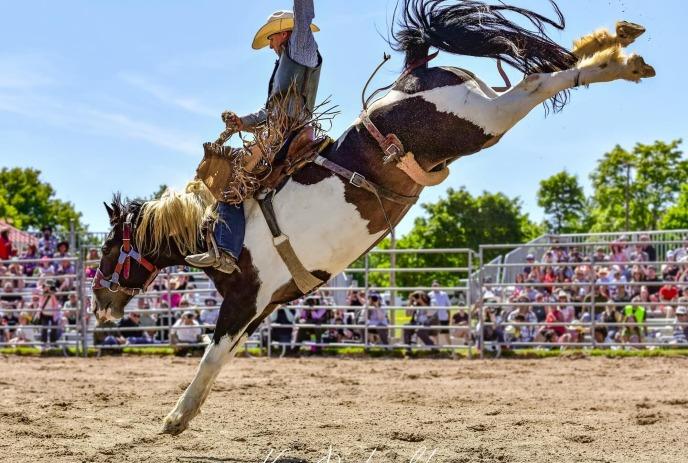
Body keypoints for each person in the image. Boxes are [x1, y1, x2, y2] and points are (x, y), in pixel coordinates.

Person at [186, 0, 323, 273]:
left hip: (286, 133)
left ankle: (226, 252)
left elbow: (304, 14)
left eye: (271, 37)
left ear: (283, 32)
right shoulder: (286, 60)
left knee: (230, 178)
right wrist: (241, 123)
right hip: (279, 132)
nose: (270, 44)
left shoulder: (301, 47)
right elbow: (268, 111)